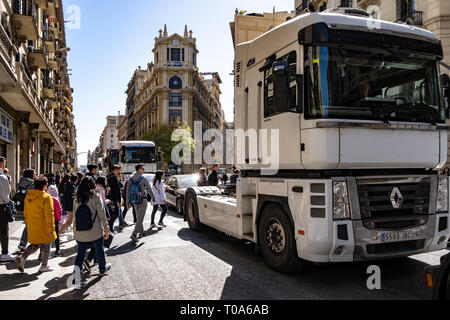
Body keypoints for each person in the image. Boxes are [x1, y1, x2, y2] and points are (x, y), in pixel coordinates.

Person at [72, 176, 111, 287]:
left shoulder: (76, 198)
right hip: (95, 231)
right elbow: (102, 216)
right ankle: (102, 268)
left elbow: (75, 216)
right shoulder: (95, 197)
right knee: (99, 249)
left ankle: (76, 279)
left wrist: (75, 229)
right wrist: (106, 229)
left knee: (80, 254)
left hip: (80, 231)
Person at [15, 176, 56, 273]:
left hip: (32, 224)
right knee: (46, 245)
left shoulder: (28, 196)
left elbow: (25, 212)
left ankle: (23, 257)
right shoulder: (46, 197)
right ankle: (44, 266)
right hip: (44, 226)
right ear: (45, 186)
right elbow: (49, 214)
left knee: (36, 244)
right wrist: (51, 228)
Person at [125, 164, 155, 243]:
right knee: (140, 218)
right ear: (139, 169)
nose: (144, 170)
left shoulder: (130, 179)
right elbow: (149, 189)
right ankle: (134, 234)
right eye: (143, 168)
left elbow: (127, 191)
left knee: (139, 217)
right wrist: (153, 197)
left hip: (134, 200)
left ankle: (141, 232)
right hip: (142, 199)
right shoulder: (143, 178)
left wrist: (127, 202)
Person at [0, 157, 16, 262]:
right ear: (1, 164)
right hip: (1, 207)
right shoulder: (3, 177)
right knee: (4, 231)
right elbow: (6, 196)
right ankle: (5, 253)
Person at [16, 169, 37, 251]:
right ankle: (25, 243)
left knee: (28, 224)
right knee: (30, 224)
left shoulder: (19, 182)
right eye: (34, 174)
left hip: (22, 205)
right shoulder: (32, 183)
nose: (35, 175)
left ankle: (23, 243)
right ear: (31, 174)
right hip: (31, 205)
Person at [46, 176, 63, 257]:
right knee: (56, 235)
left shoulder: (45, 198)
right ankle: (57, 250)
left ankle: (40, 253)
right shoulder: (56, 200)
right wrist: (59, 219)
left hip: (46, 219)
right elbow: (59, 210)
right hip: (55, 220)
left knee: (45, 237)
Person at [106, 165, 127, 231]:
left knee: (114, 213)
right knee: (116, 213)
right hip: (114, 198)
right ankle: (111, 225)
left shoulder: (109, 177)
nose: (119, 171)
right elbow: (117, 189)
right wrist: (119, 200)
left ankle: (111, 227)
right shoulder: (113, 177)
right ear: (114, 170)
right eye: (118, 170)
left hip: (110, 198)